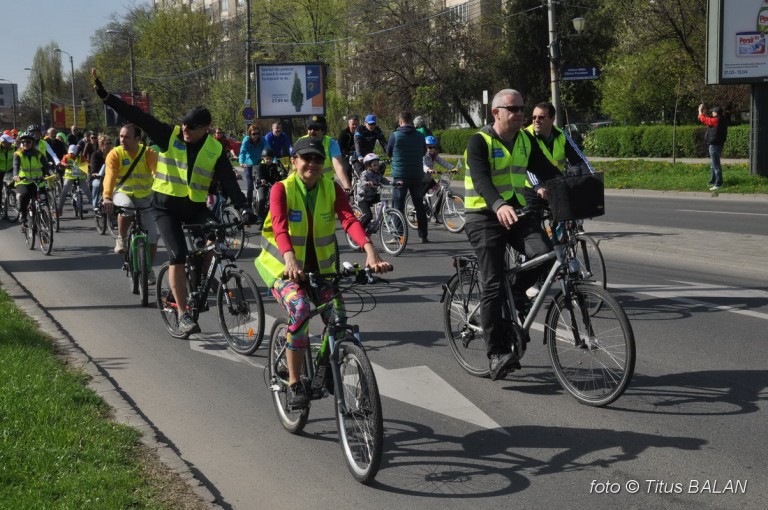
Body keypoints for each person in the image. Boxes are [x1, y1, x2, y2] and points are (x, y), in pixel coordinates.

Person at [92, 68, 252, 336]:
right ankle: (183, 313)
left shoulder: (215, 149)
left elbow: (229, 181)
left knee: (216, 240)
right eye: (185, 126)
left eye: (192, 128)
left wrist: (245, 207)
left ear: (206, 129)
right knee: (178, 255)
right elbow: (138, 117)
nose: (186, 130)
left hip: (194, 207)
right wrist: (108, 98)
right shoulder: (171, 135)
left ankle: (198, 283)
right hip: (165, 207)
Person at [254, 137, 392, 408]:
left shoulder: (332, 188)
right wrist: (290, 259)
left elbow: (349, 219)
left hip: (321, 270)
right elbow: (280, 226)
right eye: (306, 158)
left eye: (318, 159)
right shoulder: (281, 189)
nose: (313, 164)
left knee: (339, 321)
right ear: (294, 162)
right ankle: (294, 382)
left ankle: (330, 371)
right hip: (282, 268)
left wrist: (370, 252)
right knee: (301, 308)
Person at [464, 88, 561, 381]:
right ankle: (496, 353)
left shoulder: (524, 141)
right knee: (492, 282)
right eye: (514, 108)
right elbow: (481, 180)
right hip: (483, 215)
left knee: (546, 255)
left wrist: (574, 189)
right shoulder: (478, 141)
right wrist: (498, 204)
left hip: (514, 212)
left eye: (522, 108)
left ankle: (517, 292)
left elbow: (549, 171)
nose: (520, 113)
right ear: (496, 113)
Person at [101, 124, 159, 283]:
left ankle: (147, 269)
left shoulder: (148, 153)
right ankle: (122, 237)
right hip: (122, 193)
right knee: (127, 208)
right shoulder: (115, 154)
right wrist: (107, 197)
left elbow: (157, 174)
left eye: (126, 137)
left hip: (145, 198)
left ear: (137, 139)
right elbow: (110, 177)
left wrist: (162, 195)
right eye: (121, 136)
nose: (122, 140)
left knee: (153, 238)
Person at [524, 101, 591, 208]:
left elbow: (580, 160)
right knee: (533, 220)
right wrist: (537, 186)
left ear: (552, 119)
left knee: (570, 216)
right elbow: (526, 166)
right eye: (534, 117)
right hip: (532, 188)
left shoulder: (562, 135)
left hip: (556, 184)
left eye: (541, 117)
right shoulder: (526, 136)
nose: (536, 121)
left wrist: (591, 180)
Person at [386, 111, 428, 242]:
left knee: (398, 205)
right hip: (416, 175)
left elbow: (389, 151)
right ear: (411, 121)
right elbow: (423, 152)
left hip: (400, 176)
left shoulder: (395, 135)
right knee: (419, 205)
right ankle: (423, 235)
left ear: (400, 122)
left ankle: (398, 236)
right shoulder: (420, 136)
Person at [297, 115, 352, 190]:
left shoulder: (331, 143)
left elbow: (338, 166)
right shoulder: (301, 142)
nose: (312, 131)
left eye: (316, 128)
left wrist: (347, 187)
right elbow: (295, 166)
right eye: (310, 128)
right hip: (305, 186)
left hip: (326, 187)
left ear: (323, 130)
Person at [12, 132, 51, 228]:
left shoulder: (39, 154)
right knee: (24, 196)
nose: (26, 144)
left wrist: (48, 173)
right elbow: (16, 166)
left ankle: (45, 223)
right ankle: (24, 218)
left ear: (33, 143)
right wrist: (16, 175)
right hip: (23, 181)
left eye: (28, 142)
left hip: (38, 181)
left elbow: (45, 166)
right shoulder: (18, 154)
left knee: (44, 200)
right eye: (23, 142)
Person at [356, 153, 390, 232]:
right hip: (364, 198)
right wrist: (367, 183)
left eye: (377, 165)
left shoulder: (378, 174)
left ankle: (385, 211)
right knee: (368, 216)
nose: (376, 167)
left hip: (372, 196)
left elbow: (384, 180)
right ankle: (358, 231)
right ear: (368, 166)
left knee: (386, 193)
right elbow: (363, 181)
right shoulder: (365, 173)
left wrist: (394, 183)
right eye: (374, 165)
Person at [56, 144, 93, 217]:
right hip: (70, 177)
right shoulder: (66, 156)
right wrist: (64, 165)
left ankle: (96, 208)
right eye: (70, 152)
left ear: (76, 152)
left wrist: (88, 165)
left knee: (88, 192)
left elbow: (85, 162)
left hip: (80, 177)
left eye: (73, 153)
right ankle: (59, 210)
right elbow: (62, 162)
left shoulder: (80, 156)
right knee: (64, 192)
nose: (71, 154)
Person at [698, 104, 728, 191]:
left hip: (714, 145)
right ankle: (713, 180)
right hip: (717, 144)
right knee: (713, 164)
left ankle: (719, 183)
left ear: (716, 113)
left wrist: (700, 111)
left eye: (713, 112)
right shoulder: (721, 119)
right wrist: (704, 113)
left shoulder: (716, 120)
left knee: (715, 165)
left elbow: (704, 120)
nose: (712, 113)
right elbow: (708, 119)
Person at [238, 124, 269, 205]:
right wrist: (241, 162)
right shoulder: (246, 140)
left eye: (257, 133)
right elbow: (242, 152)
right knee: (250, 185)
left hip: (259, 163)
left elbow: (267, 150)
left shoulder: (263, 140)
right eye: (253, 134)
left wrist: (273, 160)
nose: (255, 136)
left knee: (262, 182)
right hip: (248, 164)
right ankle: (249, 204)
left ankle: (262, 201)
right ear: (250, 134)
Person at [253, 147, 285, 221]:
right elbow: (259, 173)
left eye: (270, 159)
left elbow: (276, 175)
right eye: (267, 158)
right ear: (263, 158)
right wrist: (262, 179)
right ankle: (259, 215)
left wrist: (279, 179)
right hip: (262, 185)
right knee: (262, 198)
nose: (268, 160)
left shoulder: (273, 166)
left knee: (277, 197)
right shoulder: (260, 166)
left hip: (272, 184)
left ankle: (275, 213)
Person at [422, 135, 455, 202]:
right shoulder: (423, 155)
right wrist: (428, 169)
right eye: (430, 147)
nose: (432, 149)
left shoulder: (434, 155)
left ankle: (436, 211)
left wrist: (453, 168)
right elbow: (423, 165)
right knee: (420, 196)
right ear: (425, 147)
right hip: (421, 178)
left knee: (440, 191)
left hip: (428, 178)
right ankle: (418, 206)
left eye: (434, 147)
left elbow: (442, 162)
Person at [338, 115, 359, 183]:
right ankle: (348, 187)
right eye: (353, 124)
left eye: (356, 124)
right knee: (347, 170)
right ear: (349, 124)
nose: (355, 126)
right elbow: (340, 147)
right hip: (346, 155)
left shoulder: (361, 132)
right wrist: (349, 153)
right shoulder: (343, 134)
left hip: (358, 154)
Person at [0, 133, 14, 219]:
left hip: (9, 170)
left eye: (10, 143)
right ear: (3, 143)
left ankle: (12, 199)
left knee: (12, 186)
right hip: (0, 171)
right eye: (8, 143)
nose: (10, 144)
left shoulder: (14, 148)